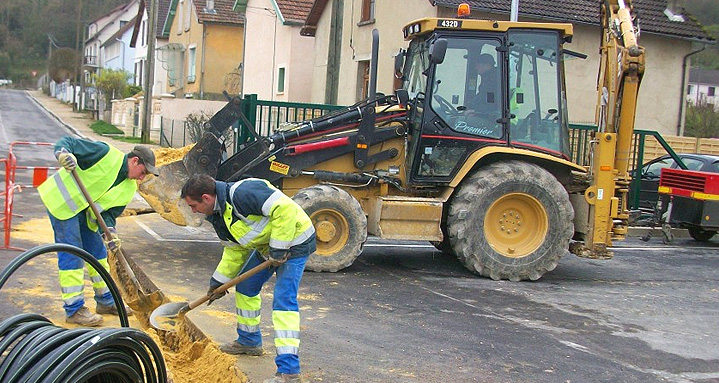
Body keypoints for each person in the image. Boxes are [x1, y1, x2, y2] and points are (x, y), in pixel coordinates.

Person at [181, 174, 316, 383]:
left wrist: (279, 248)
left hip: (295, 241)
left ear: (206, 198)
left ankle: (289, 371)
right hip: (269, 246)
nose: (193, 211)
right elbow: (235, 252)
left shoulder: (243, 192)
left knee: (283, 300)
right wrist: (218, 282)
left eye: (193, 205)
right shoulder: (219, 216)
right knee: (245, 287)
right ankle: (249, 341)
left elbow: (285, 209)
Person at [37, 136, 159, 327]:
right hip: (62, 205)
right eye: (143, 172)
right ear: (135, 161)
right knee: (73, 254)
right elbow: (67, 142)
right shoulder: (105, 153)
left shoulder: (128, 188)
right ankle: (74, 309)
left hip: (85, 215)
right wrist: (63, 154)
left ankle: (106, 301)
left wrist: (111, 234)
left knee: (99, 255)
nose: (141, 178)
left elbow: (108, 215)